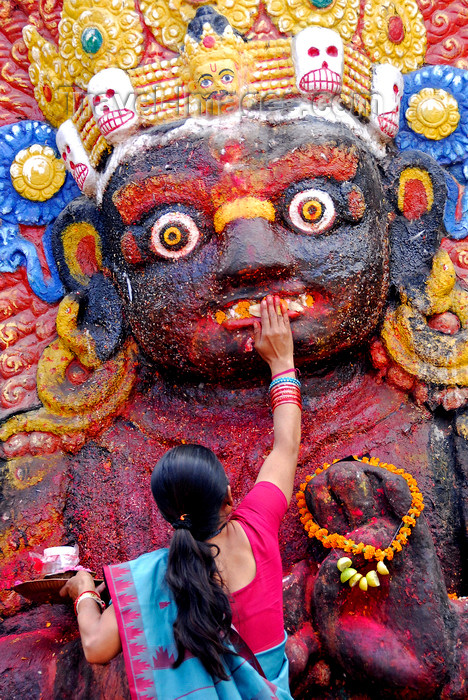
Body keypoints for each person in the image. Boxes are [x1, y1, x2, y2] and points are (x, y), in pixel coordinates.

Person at [60, 294, 301, 699]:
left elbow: (95, 647)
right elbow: (286, 447)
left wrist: (83, 589)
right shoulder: (258, 528)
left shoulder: (154, 576)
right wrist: (281, 362)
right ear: (229, 496)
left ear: (167, 513)